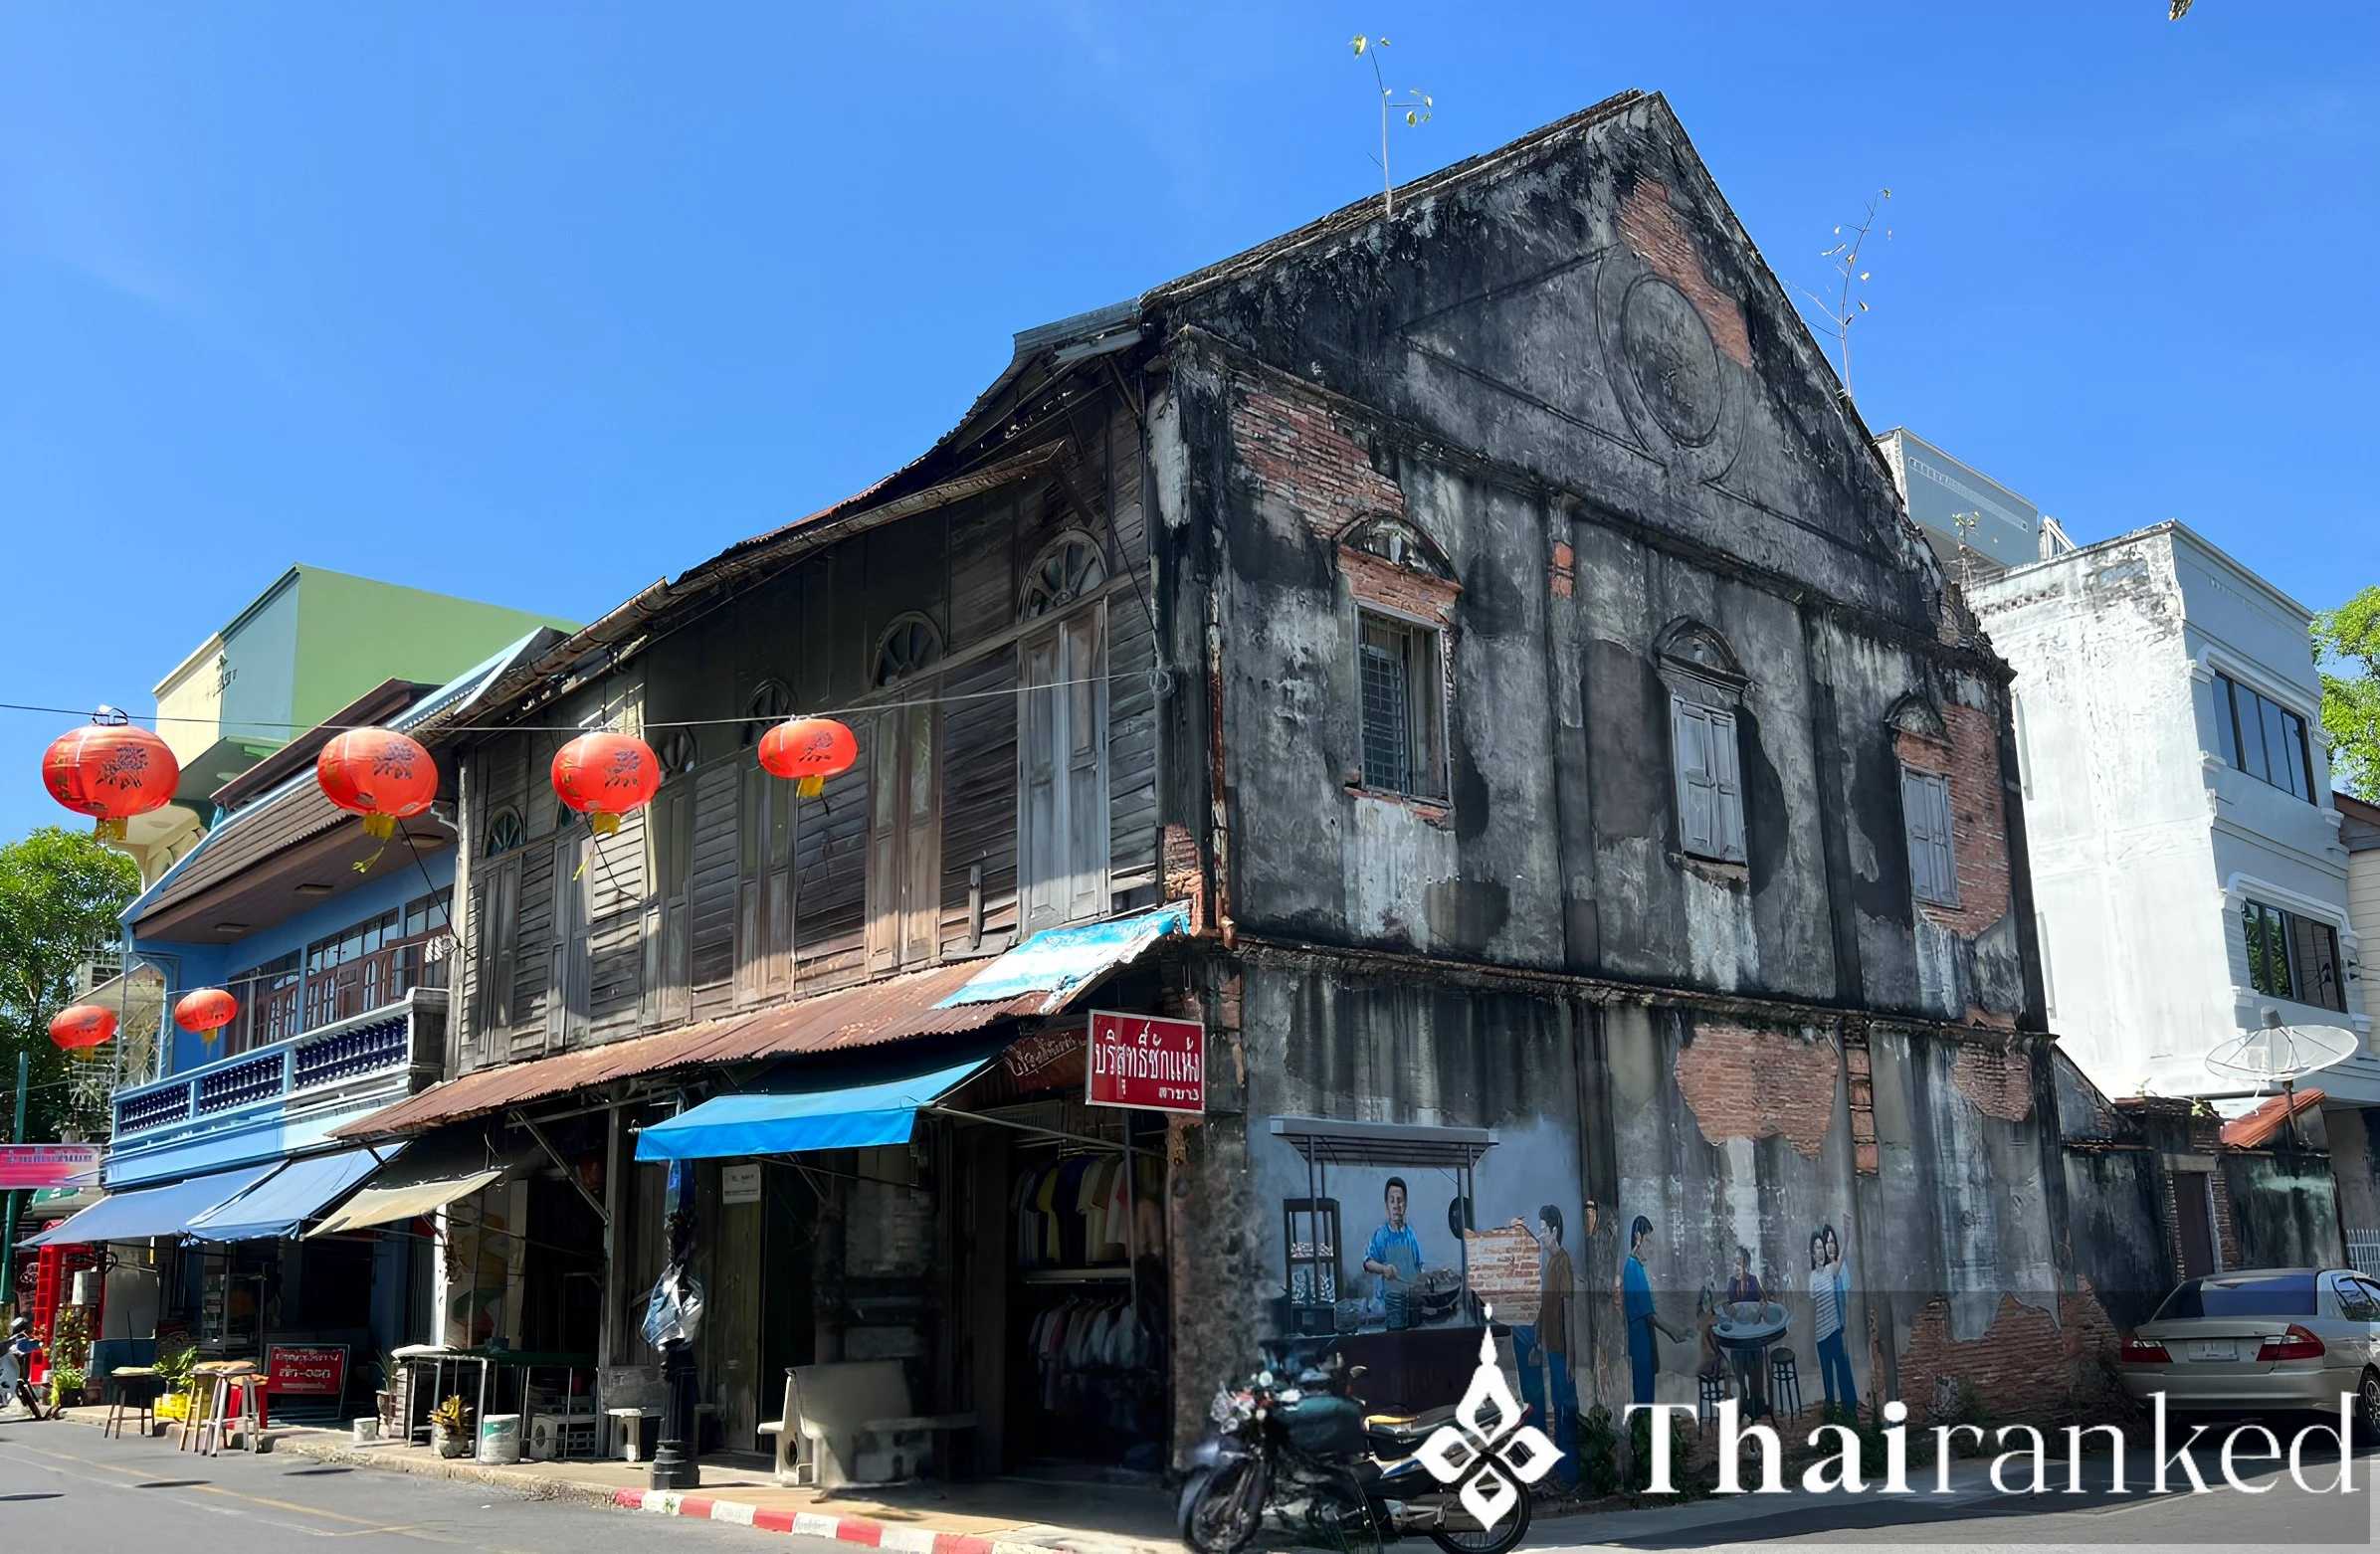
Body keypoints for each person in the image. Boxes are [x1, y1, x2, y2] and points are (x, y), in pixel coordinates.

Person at [1510, 1207, 1578, 1488]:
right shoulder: (1549, 1265)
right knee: (1559, 1406)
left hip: (1562, 1348)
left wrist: (1572, 1355)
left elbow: (1568, 1311)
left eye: (1542, 1230)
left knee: (1566, 1409)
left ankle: (1571, 1473)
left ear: (1554, 1231)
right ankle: (1562, 1471)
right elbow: (1542, 1309)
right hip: (1551, 1346)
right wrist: (1537, 1342)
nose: (1540, 1235)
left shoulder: (1563, 1263)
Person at [1619, 1216, 1687, 1407]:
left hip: (1645, 1340)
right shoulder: (1631, 1268)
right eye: (1648, 1241)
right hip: (1639, 1339)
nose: (1651, 1248)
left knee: (1647, 1393)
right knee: (1643, 1395)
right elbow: (1647, 1313)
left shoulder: (1638, 1268)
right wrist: (1672, 1330)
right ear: (1637, 1237)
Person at [1362, 1178, 1425, 1328]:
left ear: (1406, 1204)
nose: (1396, 1205)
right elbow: (1367, 1263)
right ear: (1387, 1205)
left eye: (1400, 1200)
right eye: (1392, 1201)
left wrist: (1423, 1281)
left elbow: (1420, 1265)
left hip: (1408, 1305)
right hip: (1388, 1307)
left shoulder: (1410, 1234)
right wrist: (1384, 1269)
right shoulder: (1381, 1234)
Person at [1811, 1226, 1855, 1422]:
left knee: (1843, 1371)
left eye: (1830, 1243)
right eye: (1823, 1244)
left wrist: (1843, 1326)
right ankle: (1834, 1417)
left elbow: (1844, 1300)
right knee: (1832, 1374)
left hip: (1838, 1329)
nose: (1828, 1248)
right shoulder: (1819, 1274)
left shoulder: (1838, 1269)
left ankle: (1849, 1412)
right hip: (1826, 1332)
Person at [1722, 1246, 1769, 1416]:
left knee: (1756, 1358)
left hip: (1753, 1330)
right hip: (1738, 1332)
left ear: (1746, 1265)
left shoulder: (1753, 1281)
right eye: (1735, 1264)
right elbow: (1730, 1304)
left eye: (1739, 1263)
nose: (1736, 1267)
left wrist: (1761, 1308)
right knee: (1738, 1357)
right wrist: (1730, 1310)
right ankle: (1743, 1396)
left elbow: (1763, 1299)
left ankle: (1757, 1402)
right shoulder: (1732, 1283)